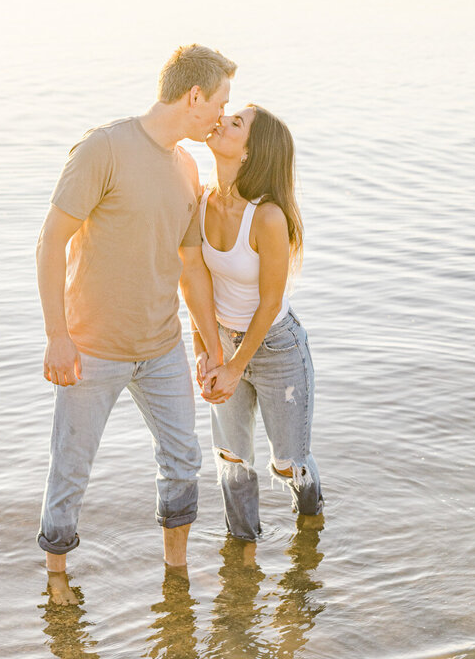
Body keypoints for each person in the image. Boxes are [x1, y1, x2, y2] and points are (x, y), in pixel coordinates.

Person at [36, 44, 234, 604]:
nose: (222, 114)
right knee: (71, 468)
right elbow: (51, 241)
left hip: (163, 347)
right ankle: (56, 578)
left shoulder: (187, 167)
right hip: (92, 348)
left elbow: (191, 267)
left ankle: (176, 573)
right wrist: (57, 335)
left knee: (183, 461)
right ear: (194, 96)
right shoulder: (105, 148)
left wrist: (212, 349)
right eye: (220, 102)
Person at [197, 104, 323, 550]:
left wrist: (234, 366)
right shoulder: (202, 201)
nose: (222, 120)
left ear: (251, 153)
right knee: (231, 459)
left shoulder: (267, 217)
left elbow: (270, 302)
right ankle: (242, 553)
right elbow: (196, 284)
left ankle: (312, 527)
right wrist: (207, 351)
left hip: (276, 349)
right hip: (225, 341)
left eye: (236, 124)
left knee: (290, 463)